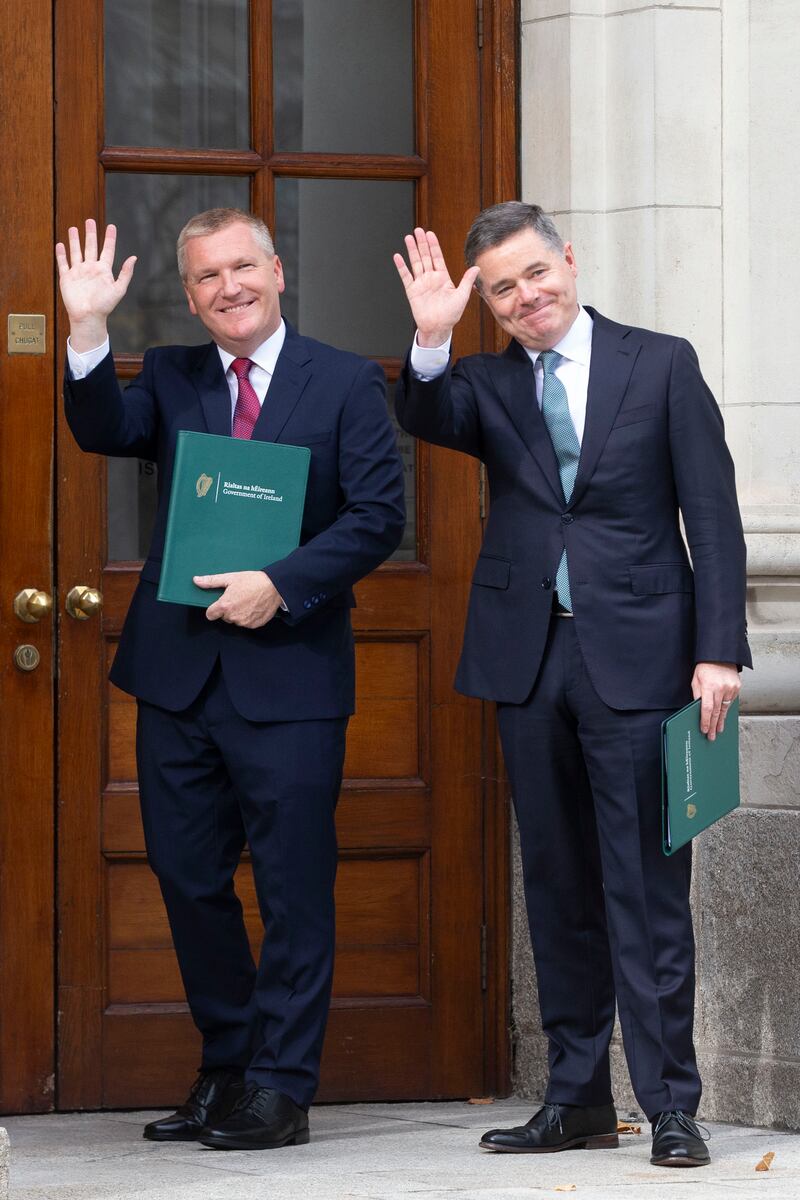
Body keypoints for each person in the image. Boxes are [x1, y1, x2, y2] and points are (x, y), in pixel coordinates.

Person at [392, 203, 750, 1169]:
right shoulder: (482, 380)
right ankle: (577, 1098)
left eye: (535, 275)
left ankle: (672, 1103)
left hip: (639, 656)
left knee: (644, 886)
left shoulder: (661, 362)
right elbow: (422, 416)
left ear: (570, 263)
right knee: (556, 884)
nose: (525, 299)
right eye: (501, 289)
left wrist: (718, 649)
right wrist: (429, 337)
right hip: (528, 658)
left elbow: (711, 515)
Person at [57, 208, 405, 1151]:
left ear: (277, 270)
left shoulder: (342, 381)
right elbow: (101, 429)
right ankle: (226, 1068)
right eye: (206, 277)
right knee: (186, 878)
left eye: (241, 267)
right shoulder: (170, 375)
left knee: (293, 888)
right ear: (191, 292)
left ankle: (282, 1089)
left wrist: (281, 586)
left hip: (289, 680)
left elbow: (378, 516)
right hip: (177, 680)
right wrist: (88, 331)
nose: (227, 288)